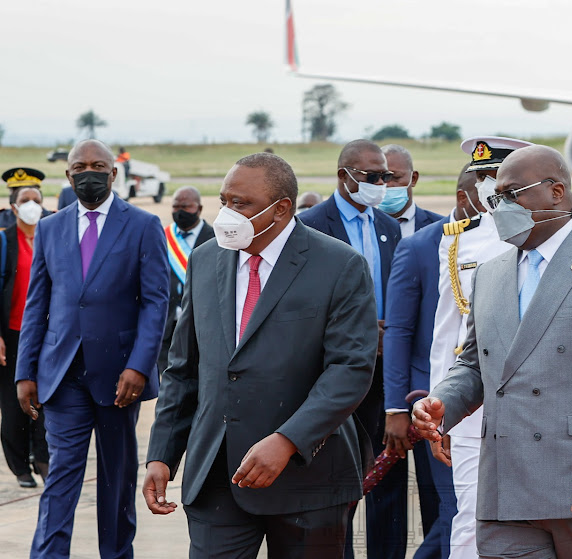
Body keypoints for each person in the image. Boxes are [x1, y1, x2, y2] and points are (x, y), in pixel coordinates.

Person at [413, 144, 572, 559]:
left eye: (513, 193)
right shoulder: (491, 274)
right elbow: (477, 363)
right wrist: (445, 399)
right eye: (496, 198)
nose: (500, 207)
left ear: (556, 192)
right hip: (506, 485)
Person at [144, 152, 378, 559]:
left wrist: (288, 440)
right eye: (224, 201)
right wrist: (162, 454)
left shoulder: (339, 265)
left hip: (309, 479)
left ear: (281, 209)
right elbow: (183, 369)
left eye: (242, 204)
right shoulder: (205, 259)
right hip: (218, 474)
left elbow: (350, 369)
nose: (227, 214)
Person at [16, 139, 170, 558]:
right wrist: (25, 372)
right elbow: (37, 305)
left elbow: (157, 302)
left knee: (117, 479)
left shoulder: (142, 225)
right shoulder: (50, 227)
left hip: (120, 377)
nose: (89, 172)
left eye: (98, 165)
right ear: (68, 175)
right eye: (80, 165)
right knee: (62, 471)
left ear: (113, 173)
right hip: (61, 374)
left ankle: (117, 554)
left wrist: (140, 366)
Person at [299, 139, 402, 559]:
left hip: (380, 370)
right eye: (372, 177)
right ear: (344, 176)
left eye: (386, 177)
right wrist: (356, 331)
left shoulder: (388, 227)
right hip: (330, 371)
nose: (380, 184)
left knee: (380, 474)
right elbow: (302, 305)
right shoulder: (309, 225)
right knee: (332, 479)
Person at [430, 137, 530, 559]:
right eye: (482, 177)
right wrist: (440, 408)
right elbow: (445, 332)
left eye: (496, 176)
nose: (488, 186)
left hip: (533, 398)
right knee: (470, 516)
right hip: (474, 402)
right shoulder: (458, 242)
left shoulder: (542, 235)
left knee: (536, 514)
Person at [382, 169, 468, 559]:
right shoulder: (421, 246)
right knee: (455, 513)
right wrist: (397, 406)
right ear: (467, 194)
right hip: (432, 403)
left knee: (460, 514)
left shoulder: (507, 240)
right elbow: (399, 331)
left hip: (491, 404)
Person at [0, 187, 49, 488]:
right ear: (13, 209)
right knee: (12, 400)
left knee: (46, 399)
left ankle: (42, 457)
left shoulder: (50, 238)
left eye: (37, 201)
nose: (31, 206)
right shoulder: (4, 241)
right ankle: (19, 465)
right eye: (24, 201)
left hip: (45, 334)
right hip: (13, 334)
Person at [158, 186, 215, 374]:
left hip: (202, 324)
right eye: (176, 206)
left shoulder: (216, 239)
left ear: (199, 209)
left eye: (186, 206)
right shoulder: (162, 237)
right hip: (168, 324)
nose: (180, 211)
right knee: (169, 380)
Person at [379, 144, 443, 237]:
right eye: (382, 177)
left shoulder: (439, 227)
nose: (388, 184)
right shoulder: (362, 225)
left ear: (413, 179)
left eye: (396, 177)